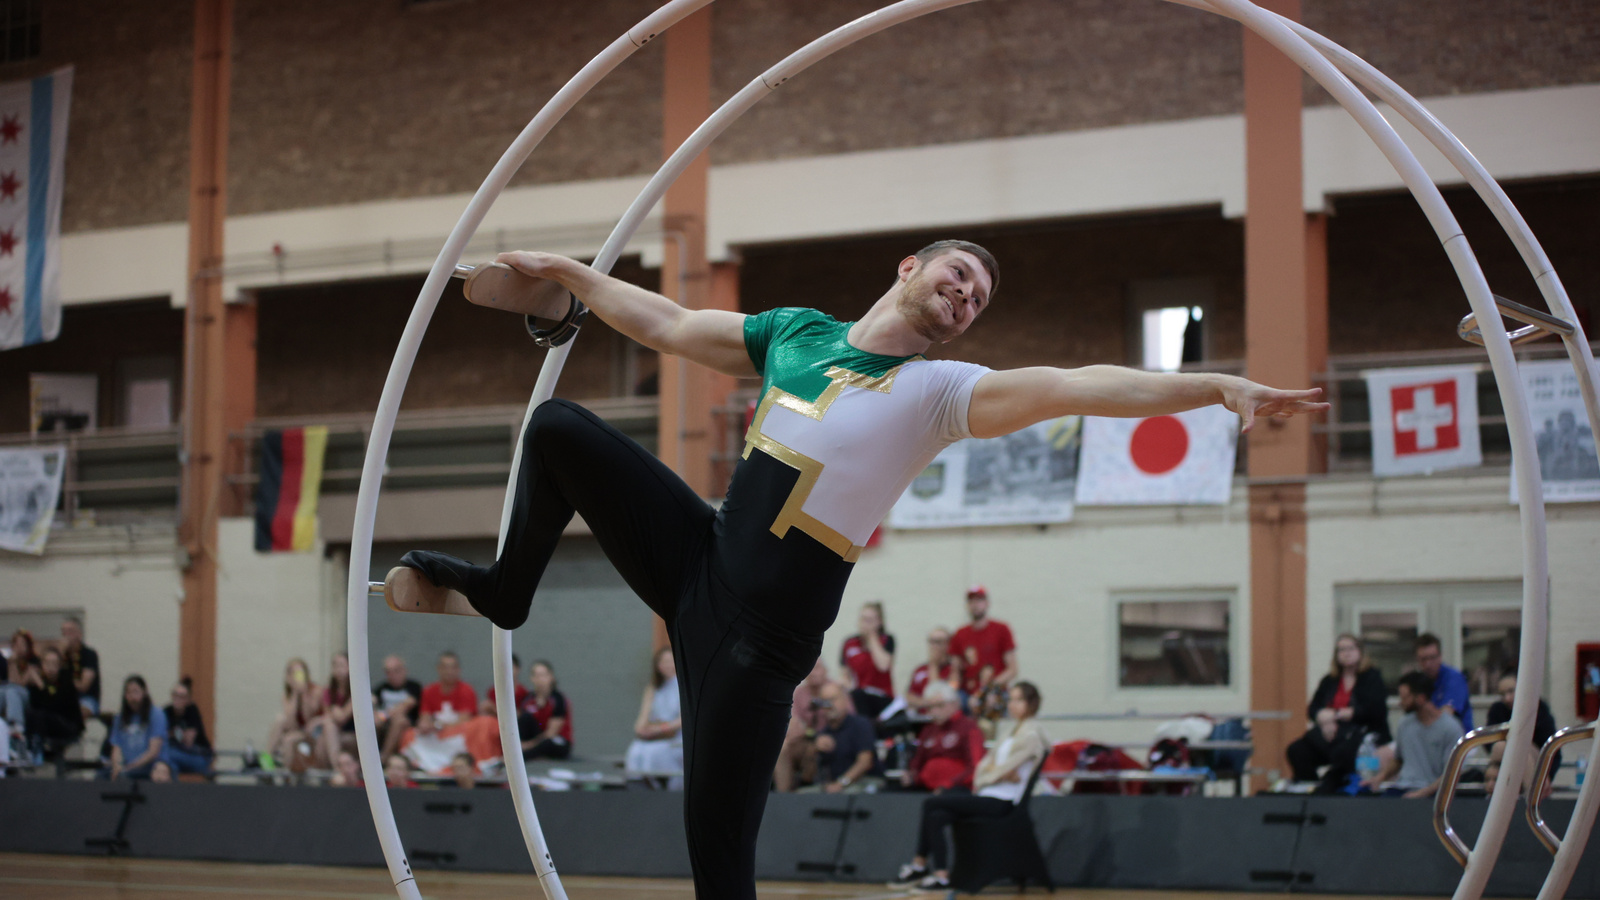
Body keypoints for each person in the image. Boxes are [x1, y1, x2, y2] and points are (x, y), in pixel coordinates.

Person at [396, 241, 1325, 900]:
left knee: (720, 871)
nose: (966, 297)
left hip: (761, 645)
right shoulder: (796, 332)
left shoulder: (940, 393)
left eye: (978, 300)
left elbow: (1079, 384)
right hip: (701, 563)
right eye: (959, 276)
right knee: (559, 429)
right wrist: (572, 275)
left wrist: (1213, 387)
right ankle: (505, 592)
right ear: (910, 268)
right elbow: (670, 322)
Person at [893, 682, 1051, 890]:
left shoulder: (1031, 734)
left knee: (932, 803)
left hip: (1004, 800)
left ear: (1032, 703)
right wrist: (994, 774)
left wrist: (992, 774)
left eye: (1018, 700)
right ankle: (941, 875)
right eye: (1011, 699)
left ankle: (919, 864)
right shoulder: (1011, 731)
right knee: (937, 815)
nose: (1012, 704)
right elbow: (988, 766)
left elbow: (1000, 769)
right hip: (988, 793)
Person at [1285, 634, 1389, 788]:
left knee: (1342, 753)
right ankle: (1311, 787)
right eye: (1341, 650)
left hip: (1362, 736)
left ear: (1360, 651)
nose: (1346, 653)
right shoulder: (1330, 680)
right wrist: (1323, 718)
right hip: (1331, 735)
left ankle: (1331, 788)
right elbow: (1313, 709)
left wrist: (1337, 715)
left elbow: (1375, 710)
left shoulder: (1372, 677)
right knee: (1296, 750)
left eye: (1351, 649)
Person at [1362, 671, 1464, 798]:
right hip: (1403, 787)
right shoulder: (1405, 723)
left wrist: (1420, 794)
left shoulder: (1451, 728)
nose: (1400, 703)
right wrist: (1379, 778)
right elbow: (1398, 760)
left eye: (1405, 698)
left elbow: (1452, 774)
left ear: (1421, 698)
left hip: (1432, 793)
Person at [1483, 672, 1560, 794]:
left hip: (1533, 758)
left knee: (1518, 748)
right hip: (1505, 757)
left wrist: (1547, 776)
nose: (1507, 698)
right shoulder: (1497, 710)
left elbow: (1553, 747)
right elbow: (1488, 742)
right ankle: (1498, 791)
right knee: (1501, 746)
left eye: (1511, 691)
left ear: (1522, 688)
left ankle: (1528, 794)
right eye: (1502, 694)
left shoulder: (1538, 708)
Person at [901, 682, 985, 792]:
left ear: (954, 704)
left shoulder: (968, 727)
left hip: (957, 789)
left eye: (940, 705)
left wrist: (949, 785)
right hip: (925, 787)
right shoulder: (929, 730)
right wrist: (911, 776)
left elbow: (976, 766)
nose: (934, 711)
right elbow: (917, 762)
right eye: (930, 707)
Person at [950, 586, 1018, 720]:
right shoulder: (960, 634)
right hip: (967, 694)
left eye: (979, 600)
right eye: (971, 601)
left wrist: (986, 691)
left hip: (995, 691)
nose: (975, 605)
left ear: (987, 603)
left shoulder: (1001, 629)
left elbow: (1012, 669)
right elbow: (955, 671)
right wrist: (951, 691)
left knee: (993, 708)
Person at [774, 658, 836, 792]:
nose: (813, 673)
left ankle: (807, 785)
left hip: (831, 737)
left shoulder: (835, 690)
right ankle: (782, 795)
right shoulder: (799, 693)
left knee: (815, 749)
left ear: (825, 671)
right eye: (810, 669)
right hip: (806, 738)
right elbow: (794, 723)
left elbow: (846, 719)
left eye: (817, 668)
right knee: (782, 747)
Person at [810, 681, 882, 793]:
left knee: (846, 795)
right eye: (825, 702)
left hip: (865, 782)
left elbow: (865, 762)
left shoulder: (860, 724)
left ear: (845, 700)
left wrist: (841, 783)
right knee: (801, 796)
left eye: (833, 699)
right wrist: (814, 749)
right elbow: (808, 775)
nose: (829, 705)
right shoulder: (823, 732)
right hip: (833, 786)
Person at [625, 647, 682, 782]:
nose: (668, 665)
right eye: (664, 662)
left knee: (654, 753)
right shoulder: (653, 689)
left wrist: (661, 728)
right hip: (657, 735)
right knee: (635, 751)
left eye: (671, 661)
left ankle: (661, 785)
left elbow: (683, 719)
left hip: (675, 737)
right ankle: (642, 785)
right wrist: (642, 730)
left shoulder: (683, 687)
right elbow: (643, 717)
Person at [840, 602, 896, 720]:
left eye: (869, 620)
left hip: (882, 695)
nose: (865, 624)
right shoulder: (850, 643)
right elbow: (845, 674)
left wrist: (872, 638)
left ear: (879, 622)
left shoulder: (886, 640)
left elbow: (883, 666)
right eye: (863, 619)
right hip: (859, 694)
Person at [24, 646, 83, 754]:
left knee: (41, 716)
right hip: (46, 724)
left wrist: (41, 685)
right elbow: (35, 706)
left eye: (54, 664)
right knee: (32, 715)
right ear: (42, 665)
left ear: (60, 665)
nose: (50, 668)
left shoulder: (66, 681)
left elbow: (55, 705)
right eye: (47, 663)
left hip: (68, 724)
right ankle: (29, 749)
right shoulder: (37, 684)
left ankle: (37, 748)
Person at [106, 674, 167, 780]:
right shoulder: (120, 718)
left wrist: (130, 767)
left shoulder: (156, 715)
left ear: (144, 693)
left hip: (148, 767)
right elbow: (116, 748)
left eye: (135, 692)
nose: (132, 697)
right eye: (128, 693)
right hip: (126, 767)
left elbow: (153, 751)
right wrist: (117, 766)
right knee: (101, 776)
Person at [267, 657, 323, 768]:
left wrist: (304, 694)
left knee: (288, 740)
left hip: (314, 732)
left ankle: (286, 772)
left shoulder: (315, 690)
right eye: (293, 673)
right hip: (298, 730)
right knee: (280, 719)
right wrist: (295, 694)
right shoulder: (288, 695)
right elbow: (290, 722)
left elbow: (308, 719)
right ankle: (267, 757)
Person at [1415, 633, 1473, 731]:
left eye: (1432, 658)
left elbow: (1447, 715)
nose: (1428, 664)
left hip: (1459, 738)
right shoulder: (1419, 681)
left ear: (1440, 656)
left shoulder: (1454, 678)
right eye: (1423, 659)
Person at [517, 660, 573, 761]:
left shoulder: (558, 700)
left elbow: (551, 732)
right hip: (536, 738)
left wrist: (527, 745)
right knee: (525, 718)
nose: (540, 679)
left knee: (547, 743)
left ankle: (516, 758)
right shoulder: (527, 700)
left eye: (544, 675)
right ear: (532, 678)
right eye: (537, 675)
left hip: (556, 740)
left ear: (551, 677)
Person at [373, 654, 423, 759]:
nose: (392, 675)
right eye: (388, 672)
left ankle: (384, 757)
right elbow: (372, 702)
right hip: (384, 722)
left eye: (396, 671)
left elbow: (406, 706)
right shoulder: (381, 688)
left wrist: (383, 716)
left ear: (404, 670)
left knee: (399, 719)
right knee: (373, 720)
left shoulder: (413, 687)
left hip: (406, 723)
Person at [161, 677, 213, 776]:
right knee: (170, 765)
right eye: (175, 695)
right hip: (176, 754)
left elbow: (188, 742)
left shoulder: (192, 711)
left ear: (188, 699)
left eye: (182, 697)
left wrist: (171, 734)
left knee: (167, 755)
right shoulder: (166, 711)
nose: (178, 699)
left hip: (198, 755)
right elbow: (160, 737)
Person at [314, 652, 357, 768]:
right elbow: (328, 716)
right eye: (335, 666)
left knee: (326, 733)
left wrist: (335, 710)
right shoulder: (328, 691)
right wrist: (334, 711)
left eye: (342, 665)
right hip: (335, 731)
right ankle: (333, 769)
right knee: (325, 734)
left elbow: (343, 717)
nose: (338, 670)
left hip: (353, 733)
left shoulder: (356, 690)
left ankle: (336, 769)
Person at [420, 651, 477, 729]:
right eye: (445, 667)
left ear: (458, 669)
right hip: (435, 733)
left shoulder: (467, 690)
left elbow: (464, 721)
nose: (449, 672)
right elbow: (424, 718)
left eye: (453, 667)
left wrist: (437, 726)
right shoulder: (428, 691)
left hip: (460, 732)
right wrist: (426, 725)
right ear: (438, 669)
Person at [60, 616, 101, 720]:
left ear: (79, 634)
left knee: (77, 711)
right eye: (63, 632)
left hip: (86, 698)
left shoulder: (89, 654)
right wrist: (60, 654)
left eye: (70, 631)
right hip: (64, 698)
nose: (66, 635)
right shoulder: (61, 656)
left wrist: (65, 680)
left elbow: (84, 685)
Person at [2, 629, 38, 740]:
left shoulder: (33, 661)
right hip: (10, 693)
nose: (19, 647)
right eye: (16, 644)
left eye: (22, 644)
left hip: (26, 696)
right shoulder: (7, 661)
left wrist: (13, 663)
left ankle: (16, 725)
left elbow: (19, 683)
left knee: (11, 691)